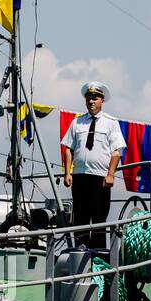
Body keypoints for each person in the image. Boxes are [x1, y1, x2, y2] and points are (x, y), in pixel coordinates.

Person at [60, 82, 126, 250]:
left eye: (95, 98)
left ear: (102, 100)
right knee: (80, 219)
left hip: (100, 177)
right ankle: (79, 255)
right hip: (80, 176)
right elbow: (68, 148)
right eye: (89, 98)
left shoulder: (111, 123)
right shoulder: (77, 123)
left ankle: (98, 258)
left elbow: (117, 151)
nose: (91, 101)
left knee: (98, 219)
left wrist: (111, 174)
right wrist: (68, 173)